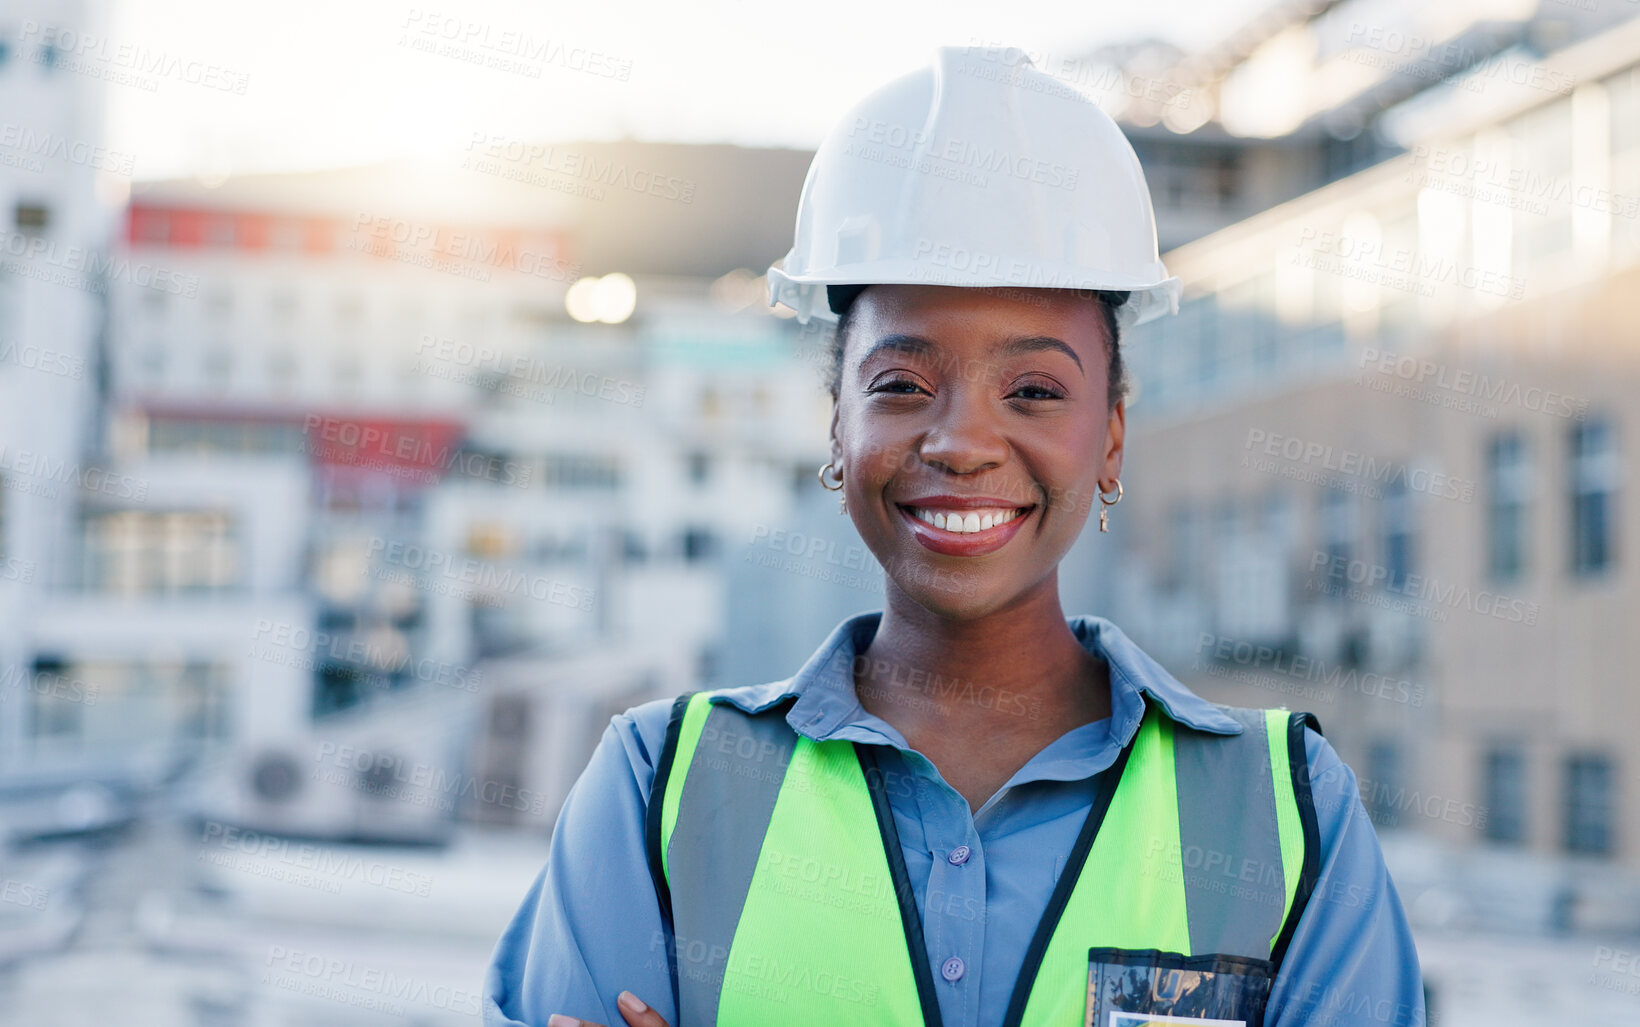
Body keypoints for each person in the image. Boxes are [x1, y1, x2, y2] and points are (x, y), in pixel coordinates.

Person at [484, 45, 1424, 1027]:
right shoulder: (658, 791)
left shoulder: (1285, 810)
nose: (963, 442)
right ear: (837, 428)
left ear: (1110, 436)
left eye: (1033, 390)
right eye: (901, 385)